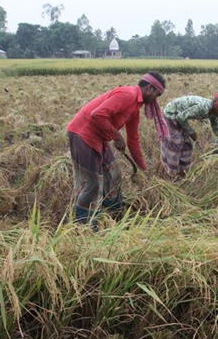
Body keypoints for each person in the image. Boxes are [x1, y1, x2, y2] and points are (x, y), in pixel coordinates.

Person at [66, 71, 166, 225]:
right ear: (149, 88)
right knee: (91, 183)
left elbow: (133, 140)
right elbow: (97, 114)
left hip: (100, 137)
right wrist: (117, 136)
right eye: (157, 95)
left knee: (114, 174)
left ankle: (114, 211)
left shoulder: (135, 108)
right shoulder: (128, 94)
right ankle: (85, 224)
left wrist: (142, 168)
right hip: (82, 134)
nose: (155, 101)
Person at [160, 92, 218, 179]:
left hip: (180, 117)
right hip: (171, 114)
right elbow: (180, 117)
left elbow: (215, 127)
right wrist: (191, 131)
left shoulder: (213, 111)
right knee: (176, 143)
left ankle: (183, 170)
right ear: (217, 105)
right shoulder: (203, 108)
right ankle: (172, 173)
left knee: (187, 145)